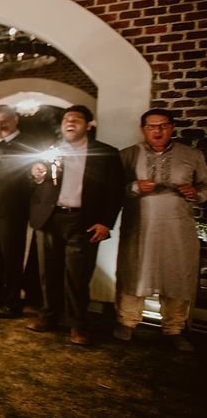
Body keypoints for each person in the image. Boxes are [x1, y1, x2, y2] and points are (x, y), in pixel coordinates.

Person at [27, 106, 124, 345]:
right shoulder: (51, 151)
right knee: (47, 273)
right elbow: (37, 183)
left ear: (89, 125)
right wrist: (36, 173)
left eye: (76, 119)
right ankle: (47, 316)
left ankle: (78, 325)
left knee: (77, 277)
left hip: (83, 220)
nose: (70, 123)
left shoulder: (106, 153)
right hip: (50, 218)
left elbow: (115, 190)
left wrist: (106, 223)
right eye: (66, 120)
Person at [114, 108, 207, 352]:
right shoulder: (128, 155)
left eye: (163, 125)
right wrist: (134, 187)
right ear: (143, 129)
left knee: (176, 273)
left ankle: (174, 328)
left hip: (177, 228)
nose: (158, 130)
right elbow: (111, 190)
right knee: (135, 271)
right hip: (140, 226)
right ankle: (127, 322)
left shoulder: (192, 155)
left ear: (172, 127)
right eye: (152, 126)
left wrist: (195, 193)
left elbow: (205, 186)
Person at [0, 104, 41, 318]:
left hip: (12, 208)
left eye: (4, 122)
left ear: (15, 120)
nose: (0, 126)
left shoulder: (25, 142)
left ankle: (13, 303)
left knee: (12, 257)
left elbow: (15, 161)